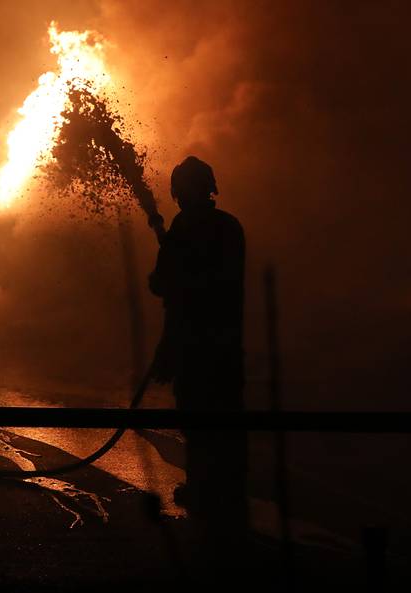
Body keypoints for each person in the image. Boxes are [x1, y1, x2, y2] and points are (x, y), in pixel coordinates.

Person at [148, 156, 248, 568]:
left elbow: (164, 284)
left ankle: (202, 488)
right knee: (226, 413)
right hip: (227, 341)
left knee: (195, 414)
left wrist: (167, 243)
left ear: (180, 191)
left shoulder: (184, 228)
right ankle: (228, 490)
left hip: (192, 341)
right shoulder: (230, 226)